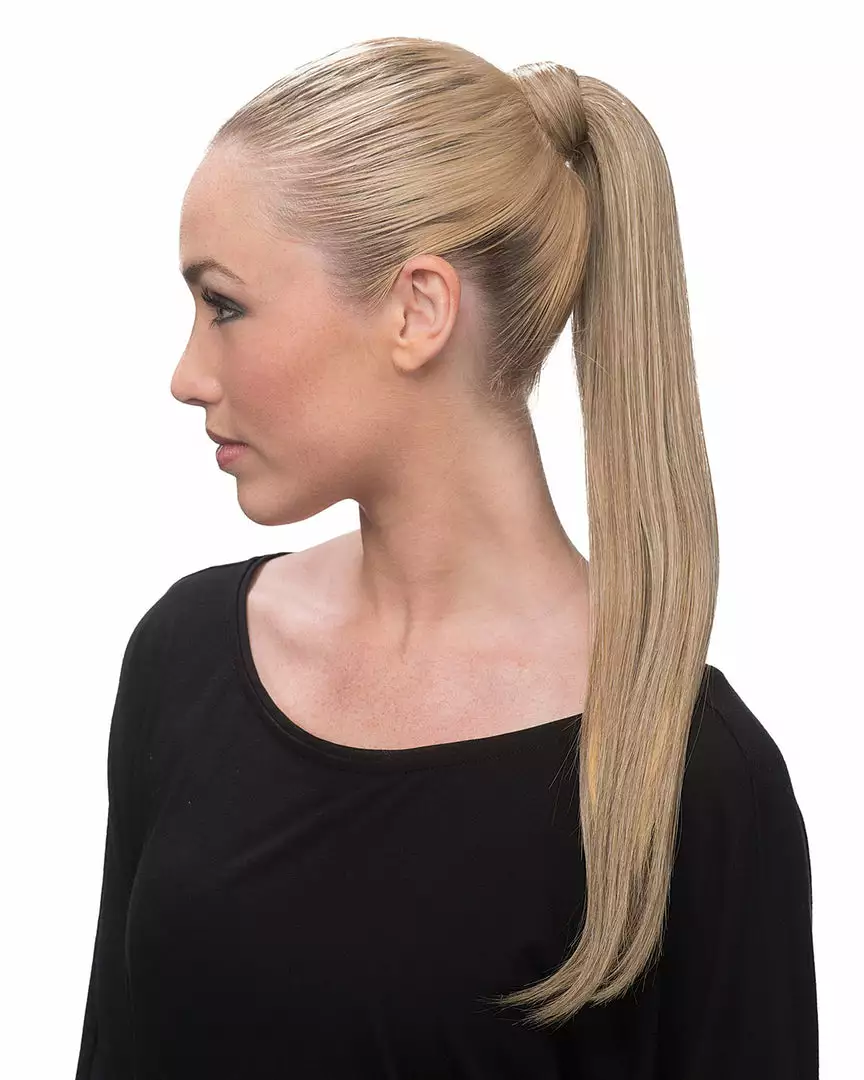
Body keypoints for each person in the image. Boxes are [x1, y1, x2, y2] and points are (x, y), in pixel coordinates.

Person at [74, 36, 818, 1079]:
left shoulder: (691, 777)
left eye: (225, 305)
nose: (187, 374)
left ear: (417, 309)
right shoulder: (184, 657)